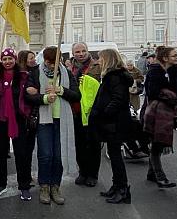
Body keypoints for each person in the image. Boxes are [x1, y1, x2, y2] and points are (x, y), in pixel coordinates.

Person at [24, 46, 81, 205]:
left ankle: (55, 186)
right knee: (45, 154)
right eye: (50, 62)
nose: (52, 65)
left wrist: (60, 90)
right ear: (46, 61)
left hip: (62, 119)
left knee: (58, 156)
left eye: (56, 62)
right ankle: (44, 186)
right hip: (44, 119)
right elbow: (28, 96)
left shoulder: (66, 73)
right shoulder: (35, 72)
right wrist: (43, 98)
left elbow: (77, 96)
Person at [0, 48, 36, 201]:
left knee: (22, 153)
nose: (7, 62)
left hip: (18, 118)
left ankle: (24, 185)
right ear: (1, 61)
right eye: (5, 59)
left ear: (15, 60)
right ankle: (0, 182)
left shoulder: (23, 76)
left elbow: (28, 95)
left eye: (10, 59)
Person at [91, 49, 134, 204]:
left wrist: (104, 113)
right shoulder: (114, 76)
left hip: (114, 123)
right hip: (114, 122)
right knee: (114, 155)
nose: (99, 61)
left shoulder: (114, 77)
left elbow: (118, 99)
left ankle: (122, 189)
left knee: (116, 157)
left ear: (108, 60)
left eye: (101, 58)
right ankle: (117, 186)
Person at [143, 46, 177, 189]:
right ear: (165, 58)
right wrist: (169, 96)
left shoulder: (167, 70)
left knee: (156, 143)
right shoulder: (156, 71)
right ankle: (160, 176)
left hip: (162, 111)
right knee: (157, 145)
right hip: (156, 112)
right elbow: (153, 92)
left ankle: (152, 173)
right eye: (174, 55)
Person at [69, 42, 102, 188]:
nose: (81, 54)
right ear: (73, 53)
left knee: (93, 145)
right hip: (76, 111)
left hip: (93, 112)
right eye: (77, 52)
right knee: (79, 144)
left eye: (83, 51)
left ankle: (92, 174)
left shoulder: (97, 66)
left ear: (88, 51)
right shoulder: (69, 68)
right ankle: (82, 172)